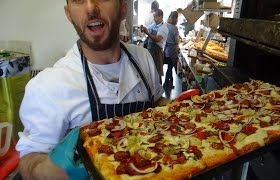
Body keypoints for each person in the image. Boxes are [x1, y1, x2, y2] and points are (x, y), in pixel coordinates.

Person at [16, 0, 167, 179]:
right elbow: (29, 160)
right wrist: (46, 171)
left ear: (123, 9)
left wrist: (179, 112)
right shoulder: (47, 86)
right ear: (69, 14)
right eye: (78, 0)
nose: (90, 8)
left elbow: (157, 101)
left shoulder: (143, 58)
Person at [142, 9, 168, 84]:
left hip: (157, 52)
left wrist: (147, 33)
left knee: (157, 72)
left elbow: (157, 39)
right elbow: (148, 30)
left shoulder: (164, 28)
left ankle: (159, 91)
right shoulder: (153, 25)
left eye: (156, 17)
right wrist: (144, 30)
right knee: (150, 72)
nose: (154, 19)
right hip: (150, 51)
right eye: (154, 17)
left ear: (161, 16)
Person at [163, 11, 180, 88]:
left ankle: (170, 82)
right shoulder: (174, 28)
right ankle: (166, 83)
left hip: (166, 49)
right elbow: (176, 41)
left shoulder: (166, 25)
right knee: (170, 67)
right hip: (172, 50)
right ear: (175, 18)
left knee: (170, 67)